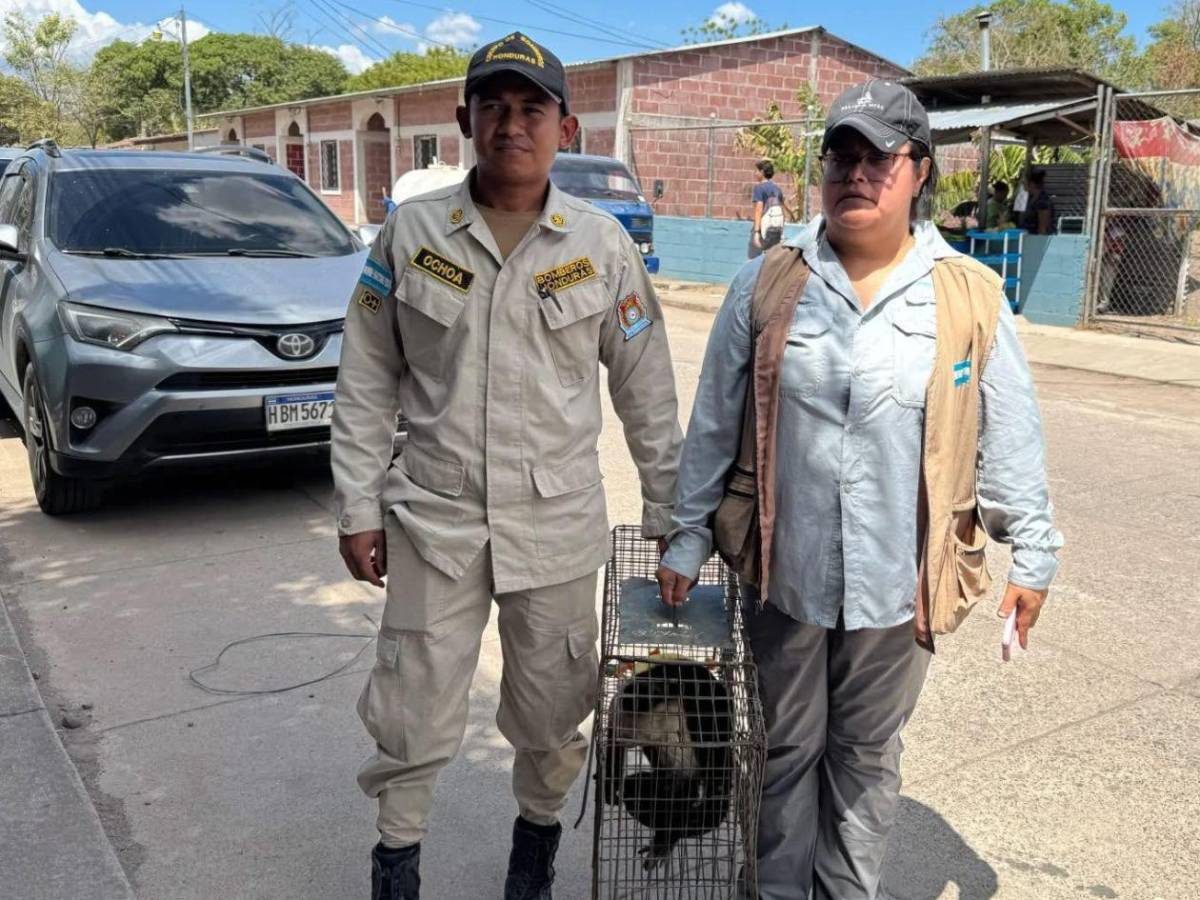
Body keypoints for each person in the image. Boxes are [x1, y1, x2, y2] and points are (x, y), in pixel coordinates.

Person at [656, 79, 1062, 900]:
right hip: (784, 573)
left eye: (880, 157)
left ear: (920, 172)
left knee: (867, 757)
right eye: (842, 155)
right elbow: (714, 421)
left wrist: (1033, 552)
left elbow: (1008, 429)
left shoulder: (967, 295)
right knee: (784, 748)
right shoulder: (769, 282)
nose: (857, 174)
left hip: (900, 585)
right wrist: (688, 534)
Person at [332, 32, 683, 900]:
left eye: (531, 109)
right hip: (434, 521)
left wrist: (672, 518)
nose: (511, 124)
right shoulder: (412, 235)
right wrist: (358, 505)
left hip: (555, 529)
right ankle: (396, 866)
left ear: (566, 128)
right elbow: (366, 377)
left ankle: (534, 857)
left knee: (553, 715)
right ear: (465, 121)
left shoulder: (601, 247)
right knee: (411, 710)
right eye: (493, 106)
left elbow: (646, 390)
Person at [750, 159, 786, 258]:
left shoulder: (759, 188)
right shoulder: (777, 188)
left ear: (762, 172)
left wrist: (756, 232)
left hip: (766, 226)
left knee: (764, 254)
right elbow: (782, 209)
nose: (755, 173)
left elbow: (758, 210)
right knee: (775, 253)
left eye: (756, 171)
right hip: (778, 226)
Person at [1020, 169, 1055, 234]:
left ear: (1032, 184)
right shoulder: (1030, 198)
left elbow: (1043, 228)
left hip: (1036, 238)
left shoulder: (1043, 202)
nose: (1022, 184)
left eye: (1024, 182)